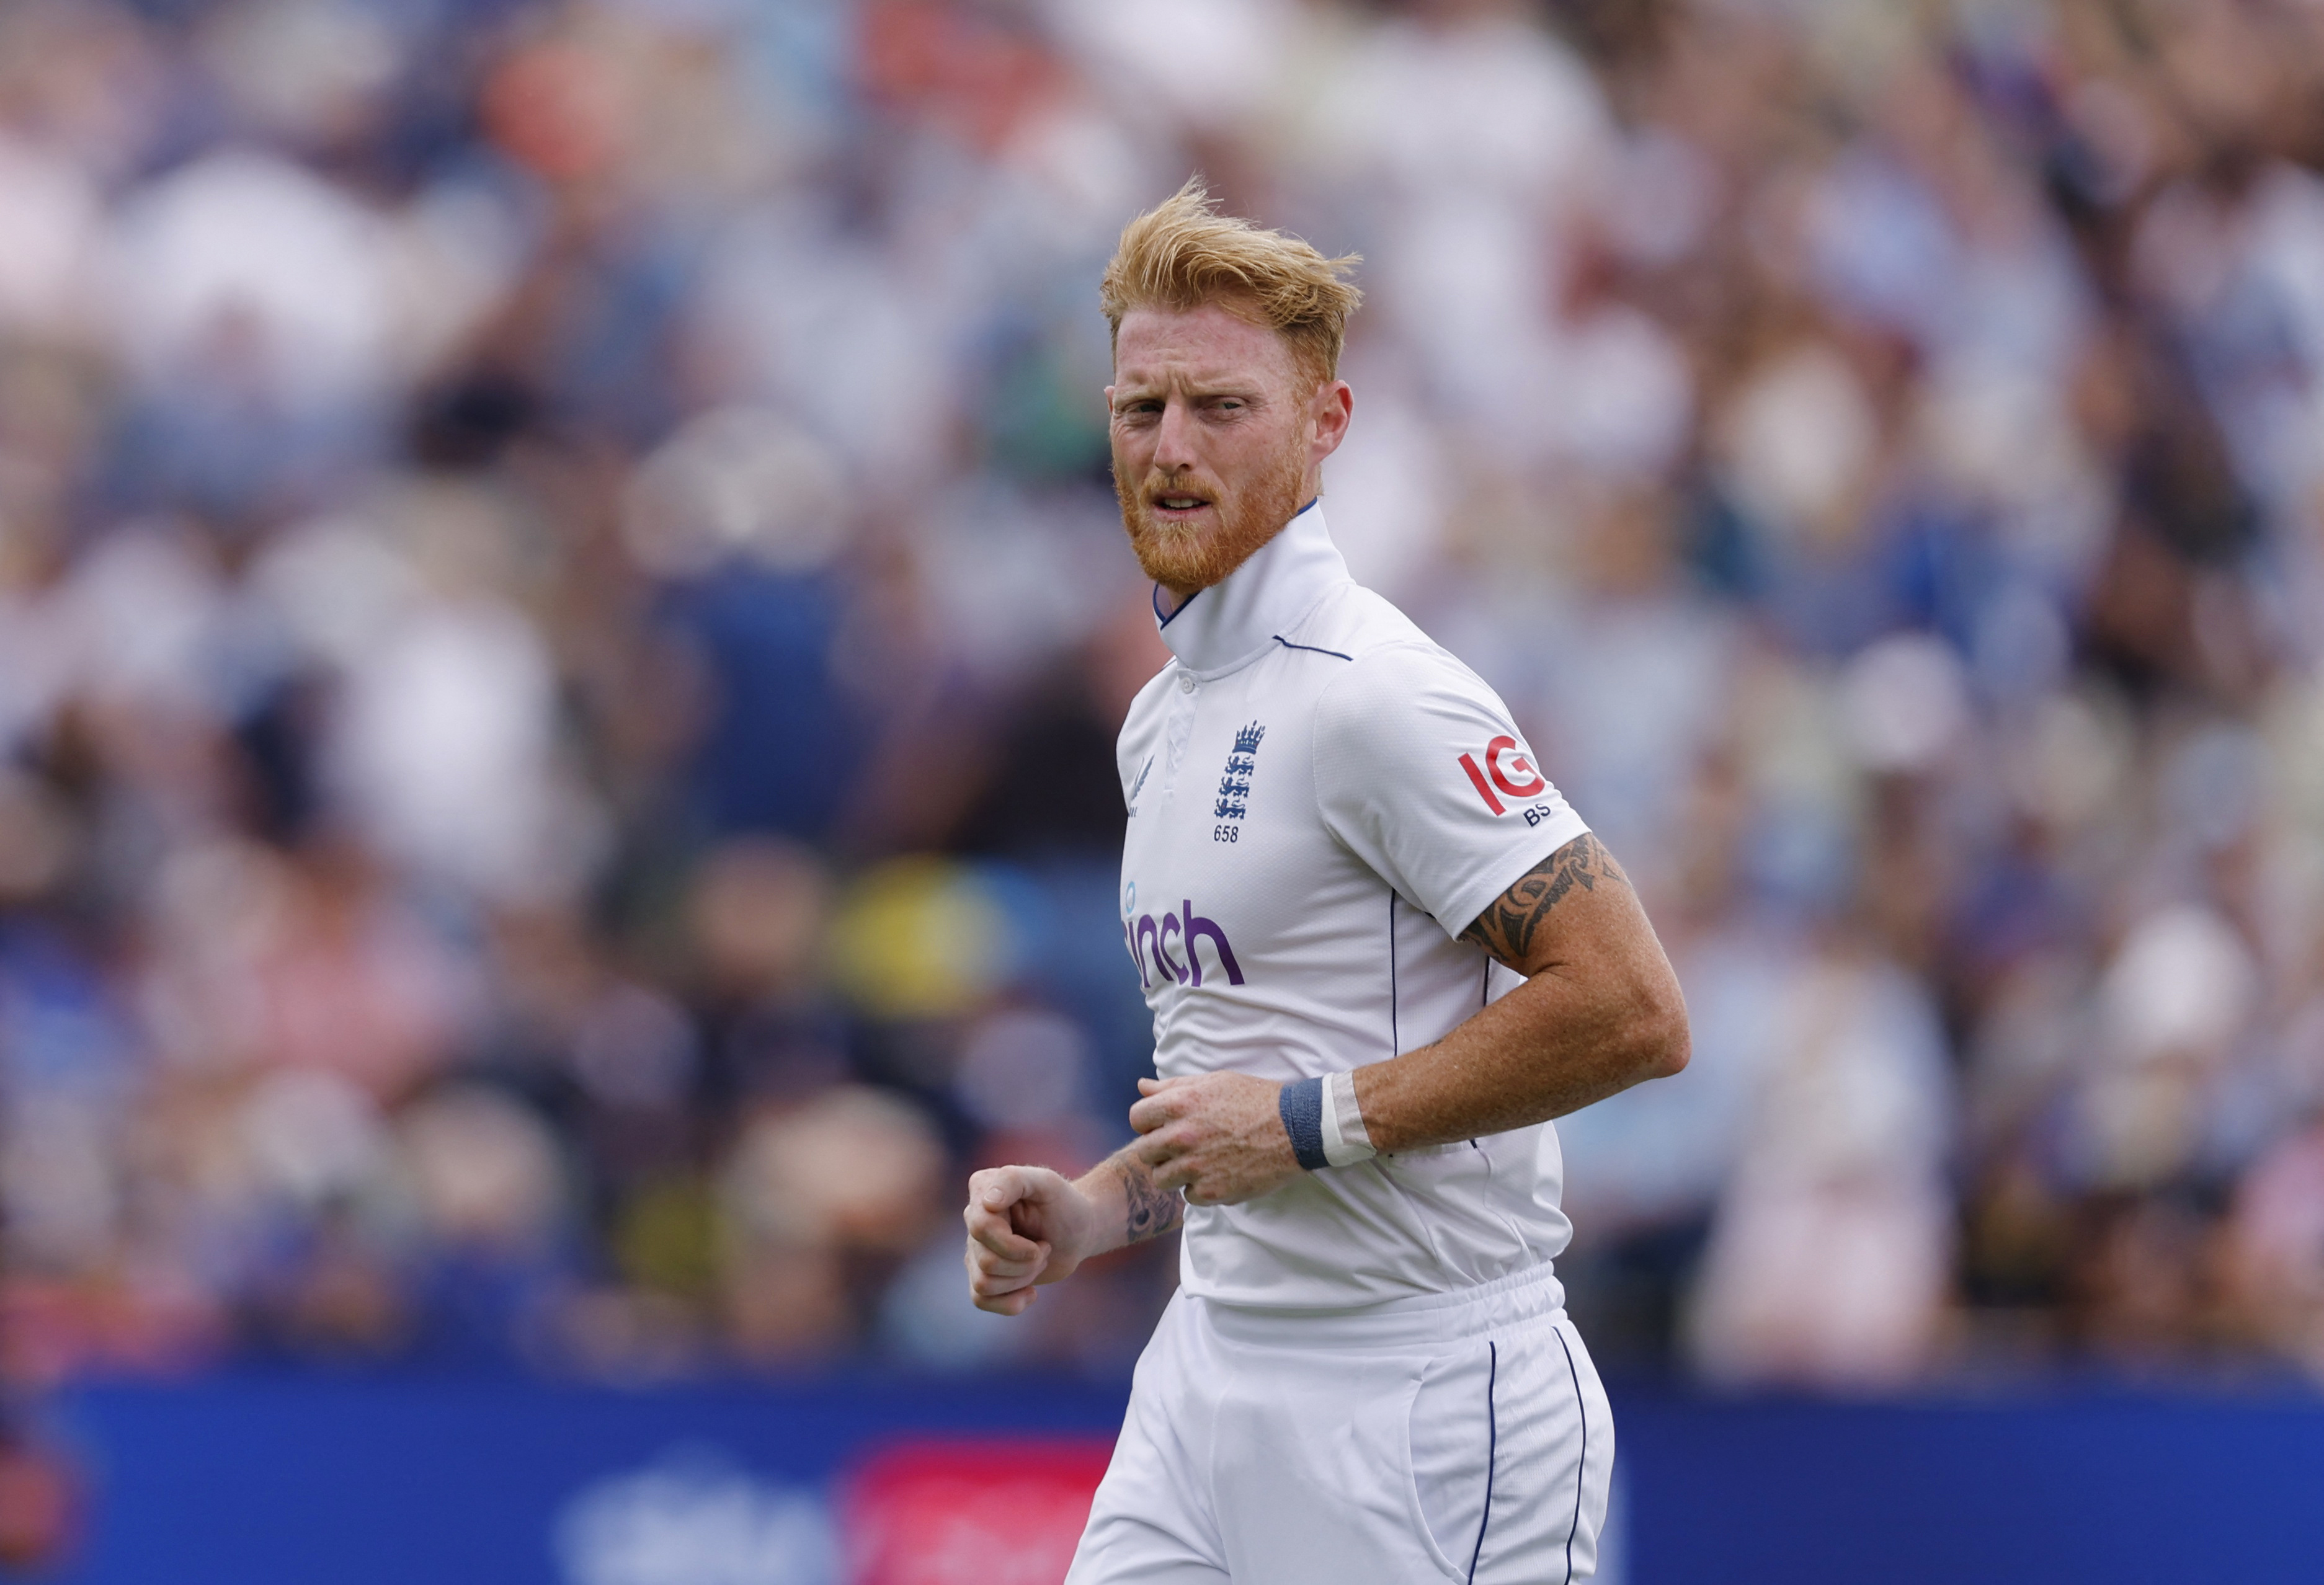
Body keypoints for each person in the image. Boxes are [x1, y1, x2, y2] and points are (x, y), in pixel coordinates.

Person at [962, 180, 1690, 1584]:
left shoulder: (1383, 698)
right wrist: (1096, 1212)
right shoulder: (1159, 720)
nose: (1170, 450)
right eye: (1139, 410)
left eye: (1220, 409)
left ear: (1324, 426)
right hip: (1206, 1374)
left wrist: (1305, 1126)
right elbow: (1238, 1089)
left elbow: (1633, 1010)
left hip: (1417, 1400)